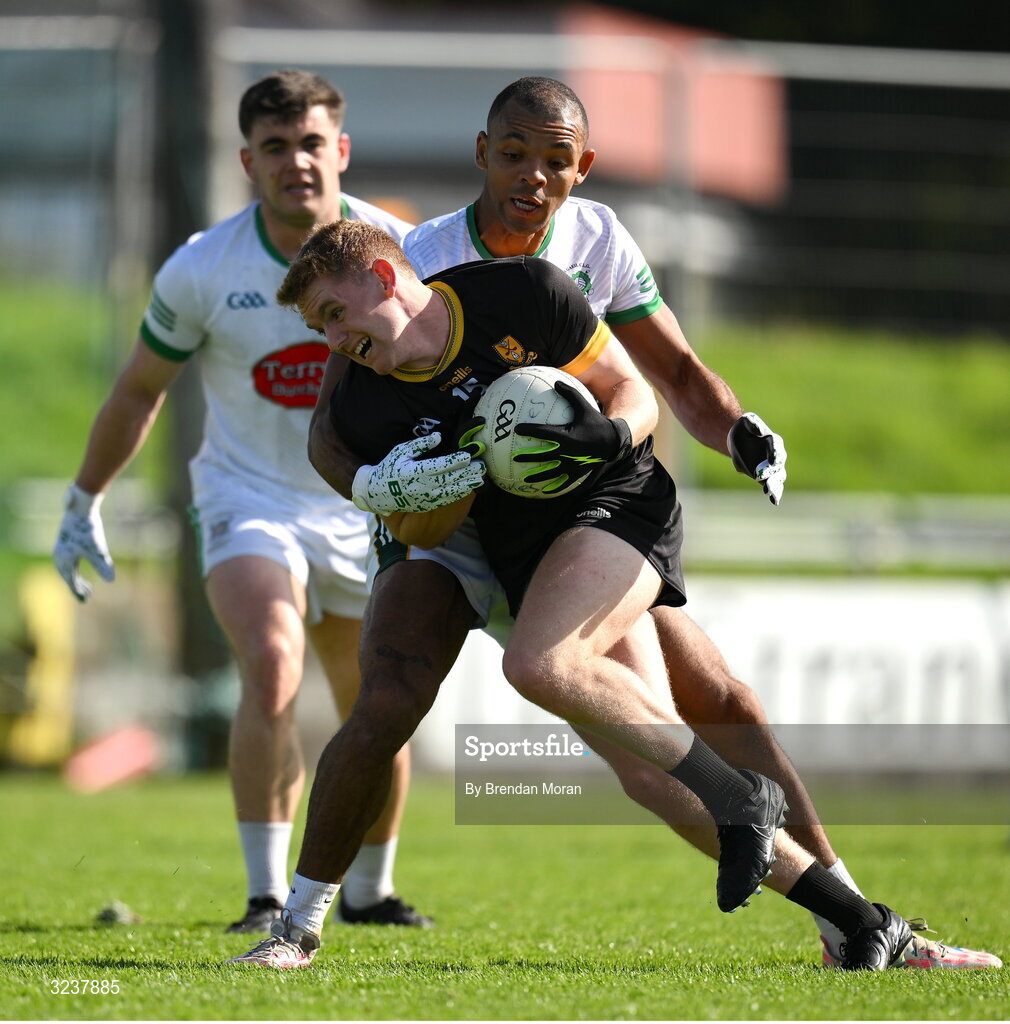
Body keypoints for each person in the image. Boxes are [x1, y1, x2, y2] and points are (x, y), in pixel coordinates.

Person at [306, 77, 1000, 971]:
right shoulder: (424, 253)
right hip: (455, 527)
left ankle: (856, 921)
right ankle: (299, 915)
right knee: (392, 696)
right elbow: (336, 415)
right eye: (514, 153)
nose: (532, 175)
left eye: (555, 160)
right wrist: (379, 489)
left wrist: (737, 430)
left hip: (575, 521)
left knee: (712, 709)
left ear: (581, 169)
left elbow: (667, 374)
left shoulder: (597, 239)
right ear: (484, 154)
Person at [226, 219, 917, 971]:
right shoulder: (366, 400)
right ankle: (860, 922)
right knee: (609, 758)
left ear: (385, 280)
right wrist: (403, 492)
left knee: (584, 675)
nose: (331, 341)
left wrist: (611, 436)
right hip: (498, 544)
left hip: (608, 506)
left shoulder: (525, 291)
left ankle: (754, 811)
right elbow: (380, 488)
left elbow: (636, 392)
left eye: (333, 315)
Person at [51, 69, 436, 933]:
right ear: (247, 162)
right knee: (270, 662)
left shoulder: (409, 251)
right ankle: (266, 897)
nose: (295, 161)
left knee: (377, 696)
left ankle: (369, 892)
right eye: (274, 147)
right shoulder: (202, 266)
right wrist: (84, 499)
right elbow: (138, 390)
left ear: (340, 149)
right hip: (247, 497)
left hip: (372, 504)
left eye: (309, 143)